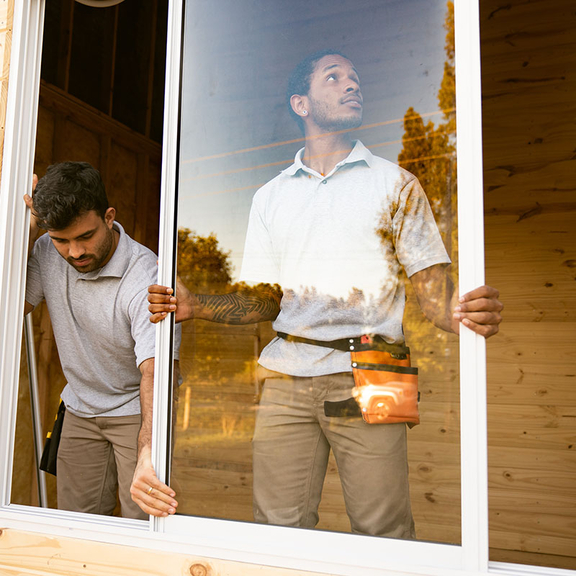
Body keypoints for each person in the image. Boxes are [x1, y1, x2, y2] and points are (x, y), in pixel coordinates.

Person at [143, 50, 503, 536]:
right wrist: (197, 306)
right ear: (301, 104)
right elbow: (266, 301)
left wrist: (469, 313)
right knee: (276, 528)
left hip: (379, 367)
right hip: (285, 375)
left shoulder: (396, 184)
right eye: (334, 78)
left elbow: (436, 299)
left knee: (385, 532)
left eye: (355, 78)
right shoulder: (270, 196)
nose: (351, 84)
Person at [24, 161, 178, 519]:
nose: (74, 252)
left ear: (109, 217)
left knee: (143, 519)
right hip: (80, 408)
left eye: (85, 237)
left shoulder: (146, 277)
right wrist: (22, 231)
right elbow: (9, 308)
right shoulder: (47, 249)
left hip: (136, 410)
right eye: (62, 240)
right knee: (76, 522)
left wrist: (148, 450)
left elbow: (156, 372)